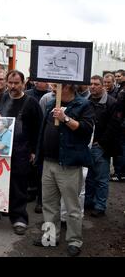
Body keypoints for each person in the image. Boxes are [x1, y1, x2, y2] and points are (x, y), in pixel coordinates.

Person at [0, 70, 42, 236]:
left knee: (18, 185)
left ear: (23, 83)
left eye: (16, 83)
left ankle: (19, 218)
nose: (13, 86)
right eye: (10, 83)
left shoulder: (31, 103)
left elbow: (38, 129)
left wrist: (34, 150)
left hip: (21, 150)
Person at [33, 84, 94, 257]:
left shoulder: (83, 105)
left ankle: (75, 240)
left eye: (58, 85)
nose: (53, 87)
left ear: (68, 87)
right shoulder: (52, 102)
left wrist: (65, 118)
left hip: (68, 164)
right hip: (48, 162)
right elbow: (43, 130)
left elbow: (86, 130)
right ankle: (50, 236)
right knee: (49, 204)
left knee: (72, 206)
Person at [85, 75, 121, 216]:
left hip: (100, 147)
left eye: (96, 84)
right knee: (88, 177)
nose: (92, 86)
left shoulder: (112, 103)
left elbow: (114, 126)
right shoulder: (86, 101)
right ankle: (89, 201)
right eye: (91, 84)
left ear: (103, 86)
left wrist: (101, 143)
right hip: (87, 145)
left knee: (101, 178)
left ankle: (100, 206)